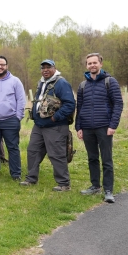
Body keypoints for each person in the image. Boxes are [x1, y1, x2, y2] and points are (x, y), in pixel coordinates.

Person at [20, 59, 76, 191]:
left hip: (55, 126)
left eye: (48, 67)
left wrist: (55, 118)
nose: (45, 70)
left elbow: (70, 104)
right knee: (33, 151)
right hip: (39, 125)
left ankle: (64, 184)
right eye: (43, 67)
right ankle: (31, 179)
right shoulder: (42, 82)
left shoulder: (61, 83)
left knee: (56, 154)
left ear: (54, 68)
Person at [76, 53, 123, 203]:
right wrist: (79, 127)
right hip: (87, 128)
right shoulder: (83, 85)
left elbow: (118, 104)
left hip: (104, 127)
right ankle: (95, 186)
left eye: (95, 63)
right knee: (92, 158)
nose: (92, 65)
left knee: (107, 159)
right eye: (89, 63)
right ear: (86, 66)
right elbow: (79, 107)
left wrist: (113, 125)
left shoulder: (110, 82)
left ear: (100, 64)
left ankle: (108, 190)